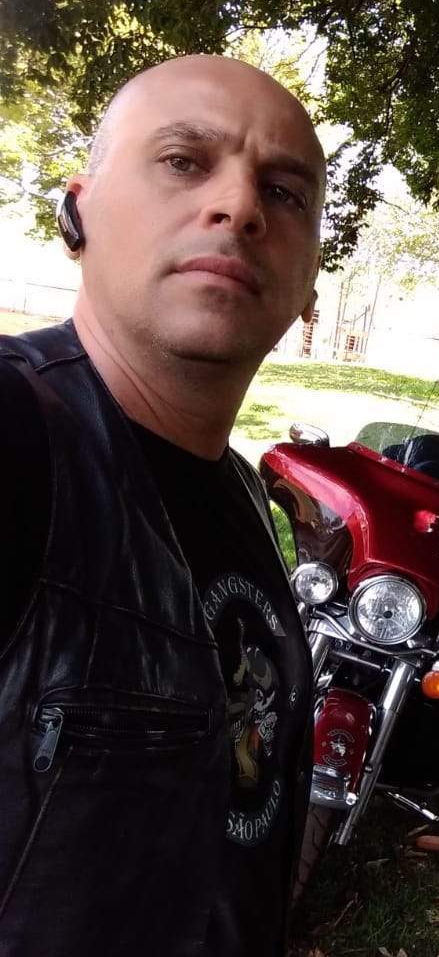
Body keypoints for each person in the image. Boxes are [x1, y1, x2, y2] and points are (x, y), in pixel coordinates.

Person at [0, 56, 326, 956]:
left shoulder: (239, 491)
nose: (241, 206)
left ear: (310, 281)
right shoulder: (17, 431)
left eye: (285, 193)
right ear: (78, 213)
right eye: (184, 161)